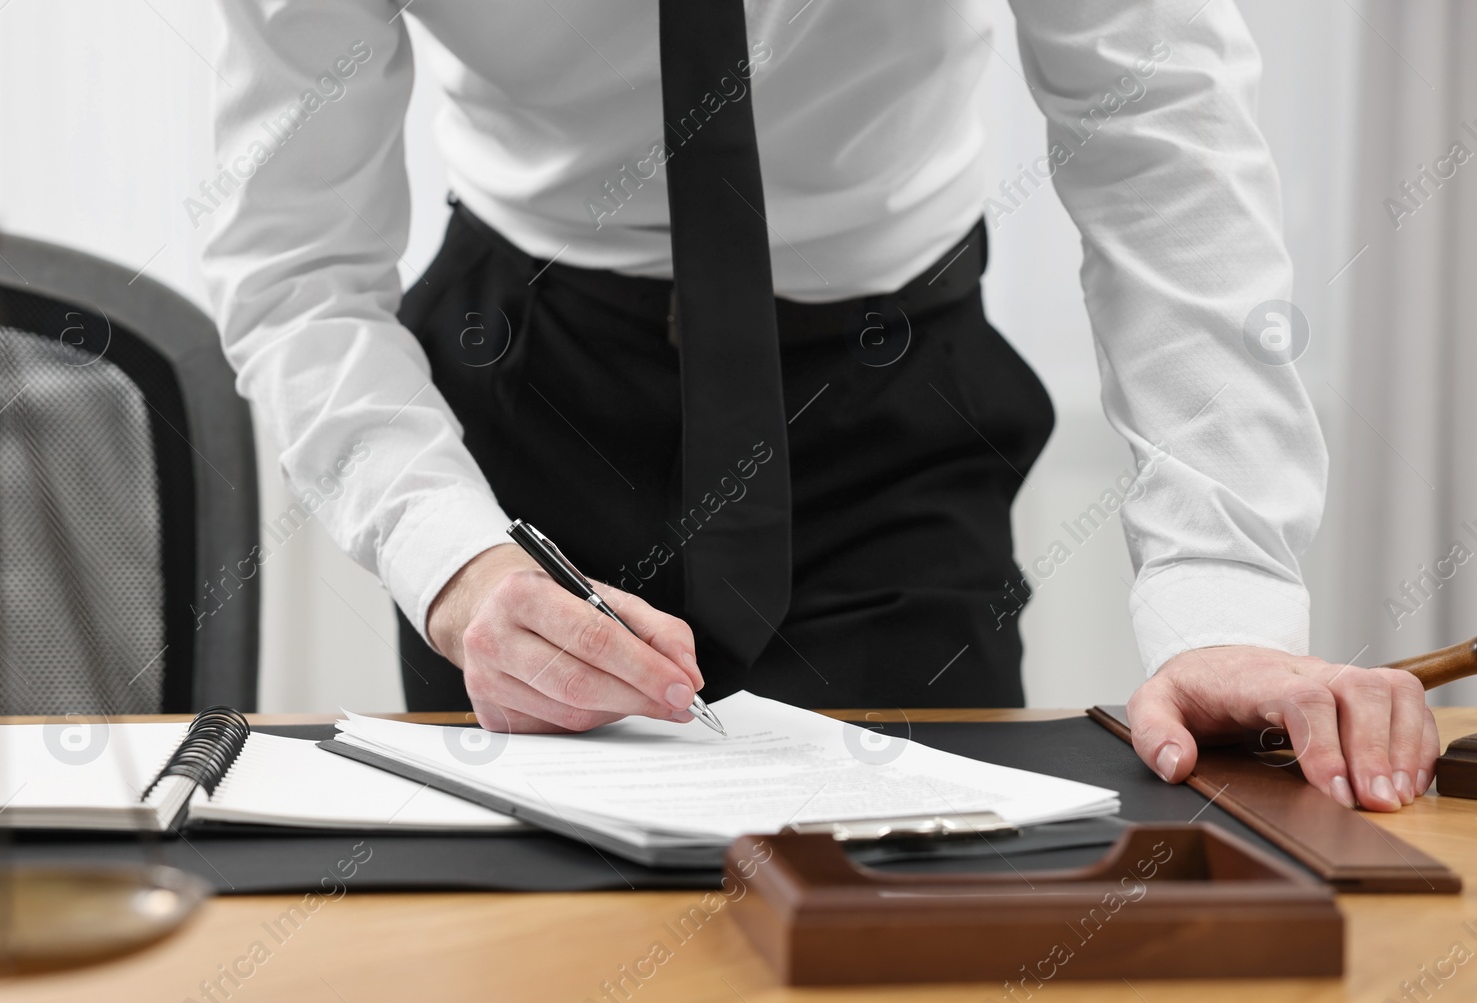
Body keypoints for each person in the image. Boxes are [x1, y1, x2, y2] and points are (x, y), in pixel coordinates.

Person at [199, 0, 1436, 813]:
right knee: (524, 946)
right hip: (523, 403)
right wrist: (453, 566)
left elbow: (1162, 140)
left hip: (886, 393)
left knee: (917, 915)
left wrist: (1222, 600)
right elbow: (292, 263)